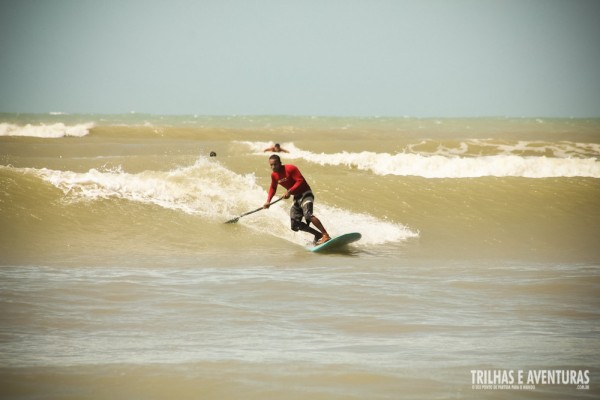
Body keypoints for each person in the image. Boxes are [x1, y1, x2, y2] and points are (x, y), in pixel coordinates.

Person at [263, 155, 330, 245]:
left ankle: (325, 235)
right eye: (271, 165)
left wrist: (289, 191)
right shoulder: (274, 175)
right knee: (295, 225)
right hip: (296, 198)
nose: (273, 167)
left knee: (308, 215)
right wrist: (268, 201)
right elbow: (273, 188)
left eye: (275, 164)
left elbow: (300, 181)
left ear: (280, 163)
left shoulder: (290, 168)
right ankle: (317, 234)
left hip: (306, 194)